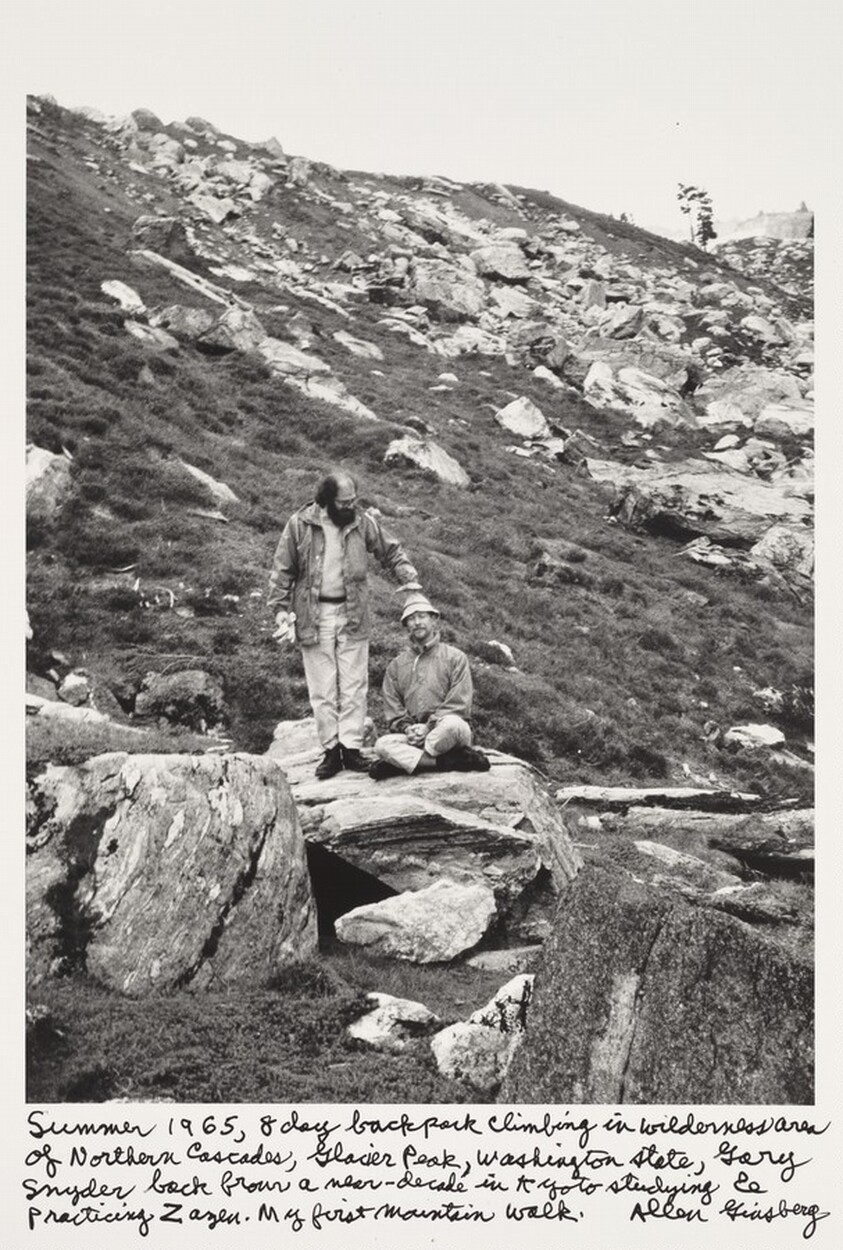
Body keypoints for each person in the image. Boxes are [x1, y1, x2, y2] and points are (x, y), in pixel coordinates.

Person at [268, 469, 421, 779]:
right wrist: (280, 608)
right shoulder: (301, 524)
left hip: (352, 614)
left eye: (354, 500)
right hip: (313, 616)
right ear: (326, 500)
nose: (352, 506)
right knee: (322, 689)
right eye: (345, 502)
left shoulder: (361, 522)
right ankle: (330, 751)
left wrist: (408, 576)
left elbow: (391, 549)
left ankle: (351, 750)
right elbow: (283, 568)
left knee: (354, 686)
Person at [369, 594, 491, 780]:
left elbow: (459, 704)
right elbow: (394, 709)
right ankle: (446, 763)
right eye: (411, 618)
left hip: (446, 733)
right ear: (406, 626)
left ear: (434, 620)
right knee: (382, 745)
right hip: (415, 737)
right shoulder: (396, 665)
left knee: (453, 725)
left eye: (422, 616)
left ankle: (402, 765)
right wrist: (408, 728)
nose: (417, 622)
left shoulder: (455, 658)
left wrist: (429, 727)